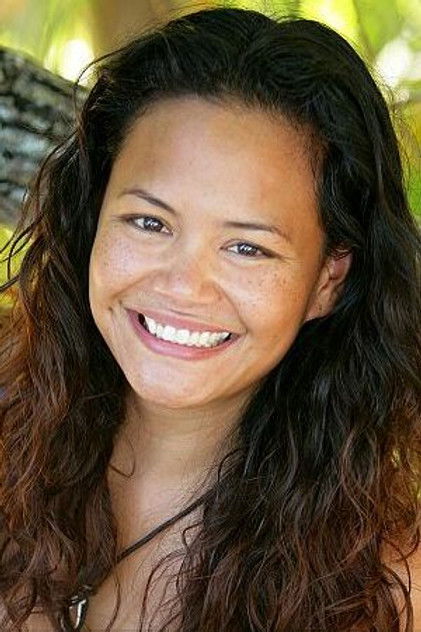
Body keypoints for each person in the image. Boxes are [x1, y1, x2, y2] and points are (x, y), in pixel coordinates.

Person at [0, 5, 420, 632]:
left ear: (327, 281)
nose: (183, 286)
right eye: (149, 222)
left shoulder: (387, 587)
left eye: (247, 247)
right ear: (92, 218)